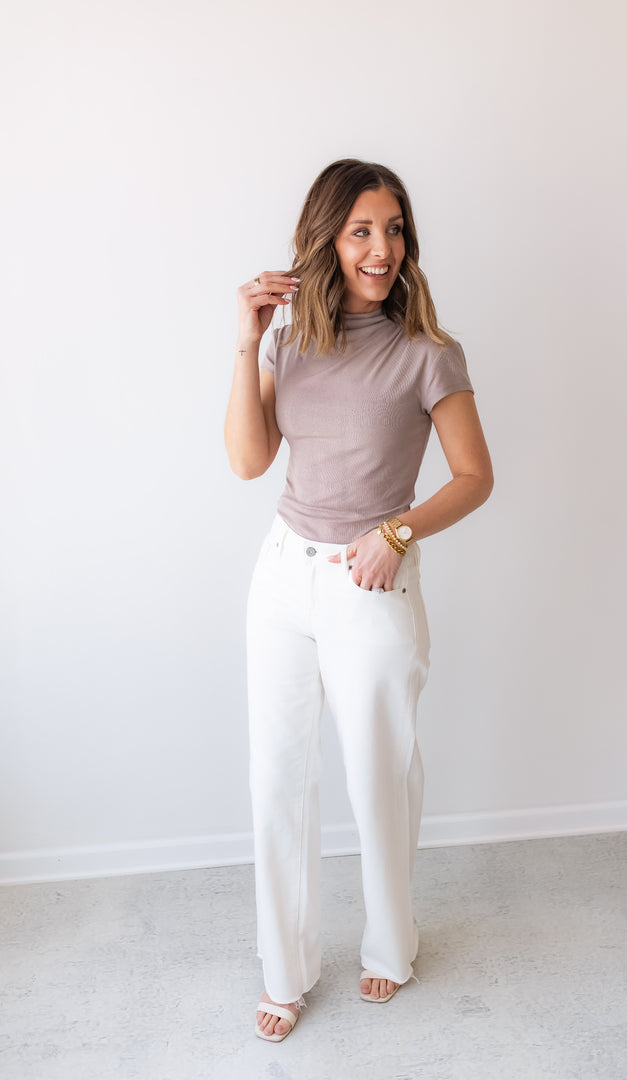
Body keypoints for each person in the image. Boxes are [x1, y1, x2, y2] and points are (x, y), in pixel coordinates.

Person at [224, 159, 494, 1042]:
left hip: (370, 581)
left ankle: (389, 945)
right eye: (362, 231)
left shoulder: (428, 353)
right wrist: (245, 339)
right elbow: (248, 459)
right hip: (282, 577)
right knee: (275, 780)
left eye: (395, 229)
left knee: (378, 778)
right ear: (328, 240)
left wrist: (398, 533)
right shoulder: (292, 339)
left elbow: (474, 477)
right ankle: (285, 968)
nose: (383, 249)